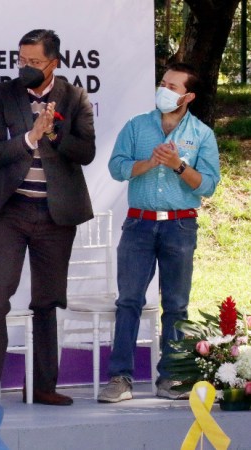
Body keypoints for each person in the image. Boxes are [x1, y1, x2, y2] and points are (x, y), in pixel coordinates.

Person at [0, 29, 96, 411]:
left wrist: (53, 134)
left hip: (56, 215)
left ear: (53, 62)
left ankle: (42, 386)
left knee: (47, 301)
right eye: (21, 60)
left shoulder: (75, 97)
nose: (26, 67)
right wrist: (30, 136)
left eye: (35, 62)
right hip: (10, 211)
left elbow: (86, 152)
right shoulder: (1, 95)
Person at [98, 63, 220, 403]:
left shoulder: (202, 134)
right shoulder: (137, 126)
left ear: (188, 96)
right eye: (163, 83)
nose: (163, 89)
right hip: (139, 224)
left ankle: (172, 377)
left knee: (177, 305)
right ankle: (120, 379)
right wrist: (150, 163)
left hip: (180, 226)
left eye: (172, 86)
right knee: (129, 301)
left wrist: (178, 165)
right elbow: (117, 167)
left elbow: (208, 185)